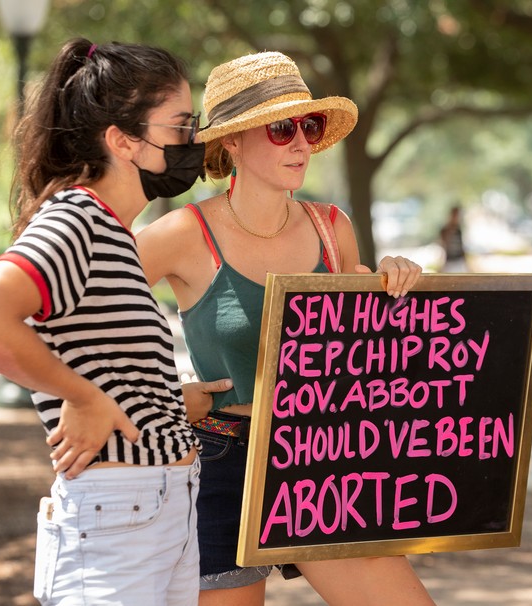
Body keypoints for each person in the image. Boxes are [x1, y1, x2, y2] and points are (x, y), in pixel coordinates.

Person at [137, 51, 433, 605]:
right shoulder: (182, 234)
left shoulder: (332, 228)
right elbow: (79, 313)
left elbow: (368, 359)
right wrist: (160, 400)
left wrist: (392, 286)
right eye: (280, 128)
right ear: (232, 142)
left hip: (322, 461)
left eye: (309, 125)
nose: (302, 142)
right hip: (224, 464)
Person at [0, 38, 213, 605]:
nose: (193, 141)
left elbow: (95, 356)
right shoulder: (76, 219)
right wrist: (82, 398)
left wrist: (166, 399)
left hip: (156, 510)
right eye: (181, 125)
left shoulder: (113, 232)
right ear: (123, 140)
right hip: (119, 515)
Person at [439, 205, 468, 272]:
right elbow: (443, 245)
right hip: (449, 262)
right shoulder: (445, 230)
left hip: (459, 261)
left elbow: (461, 247)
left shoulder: (458, 230)